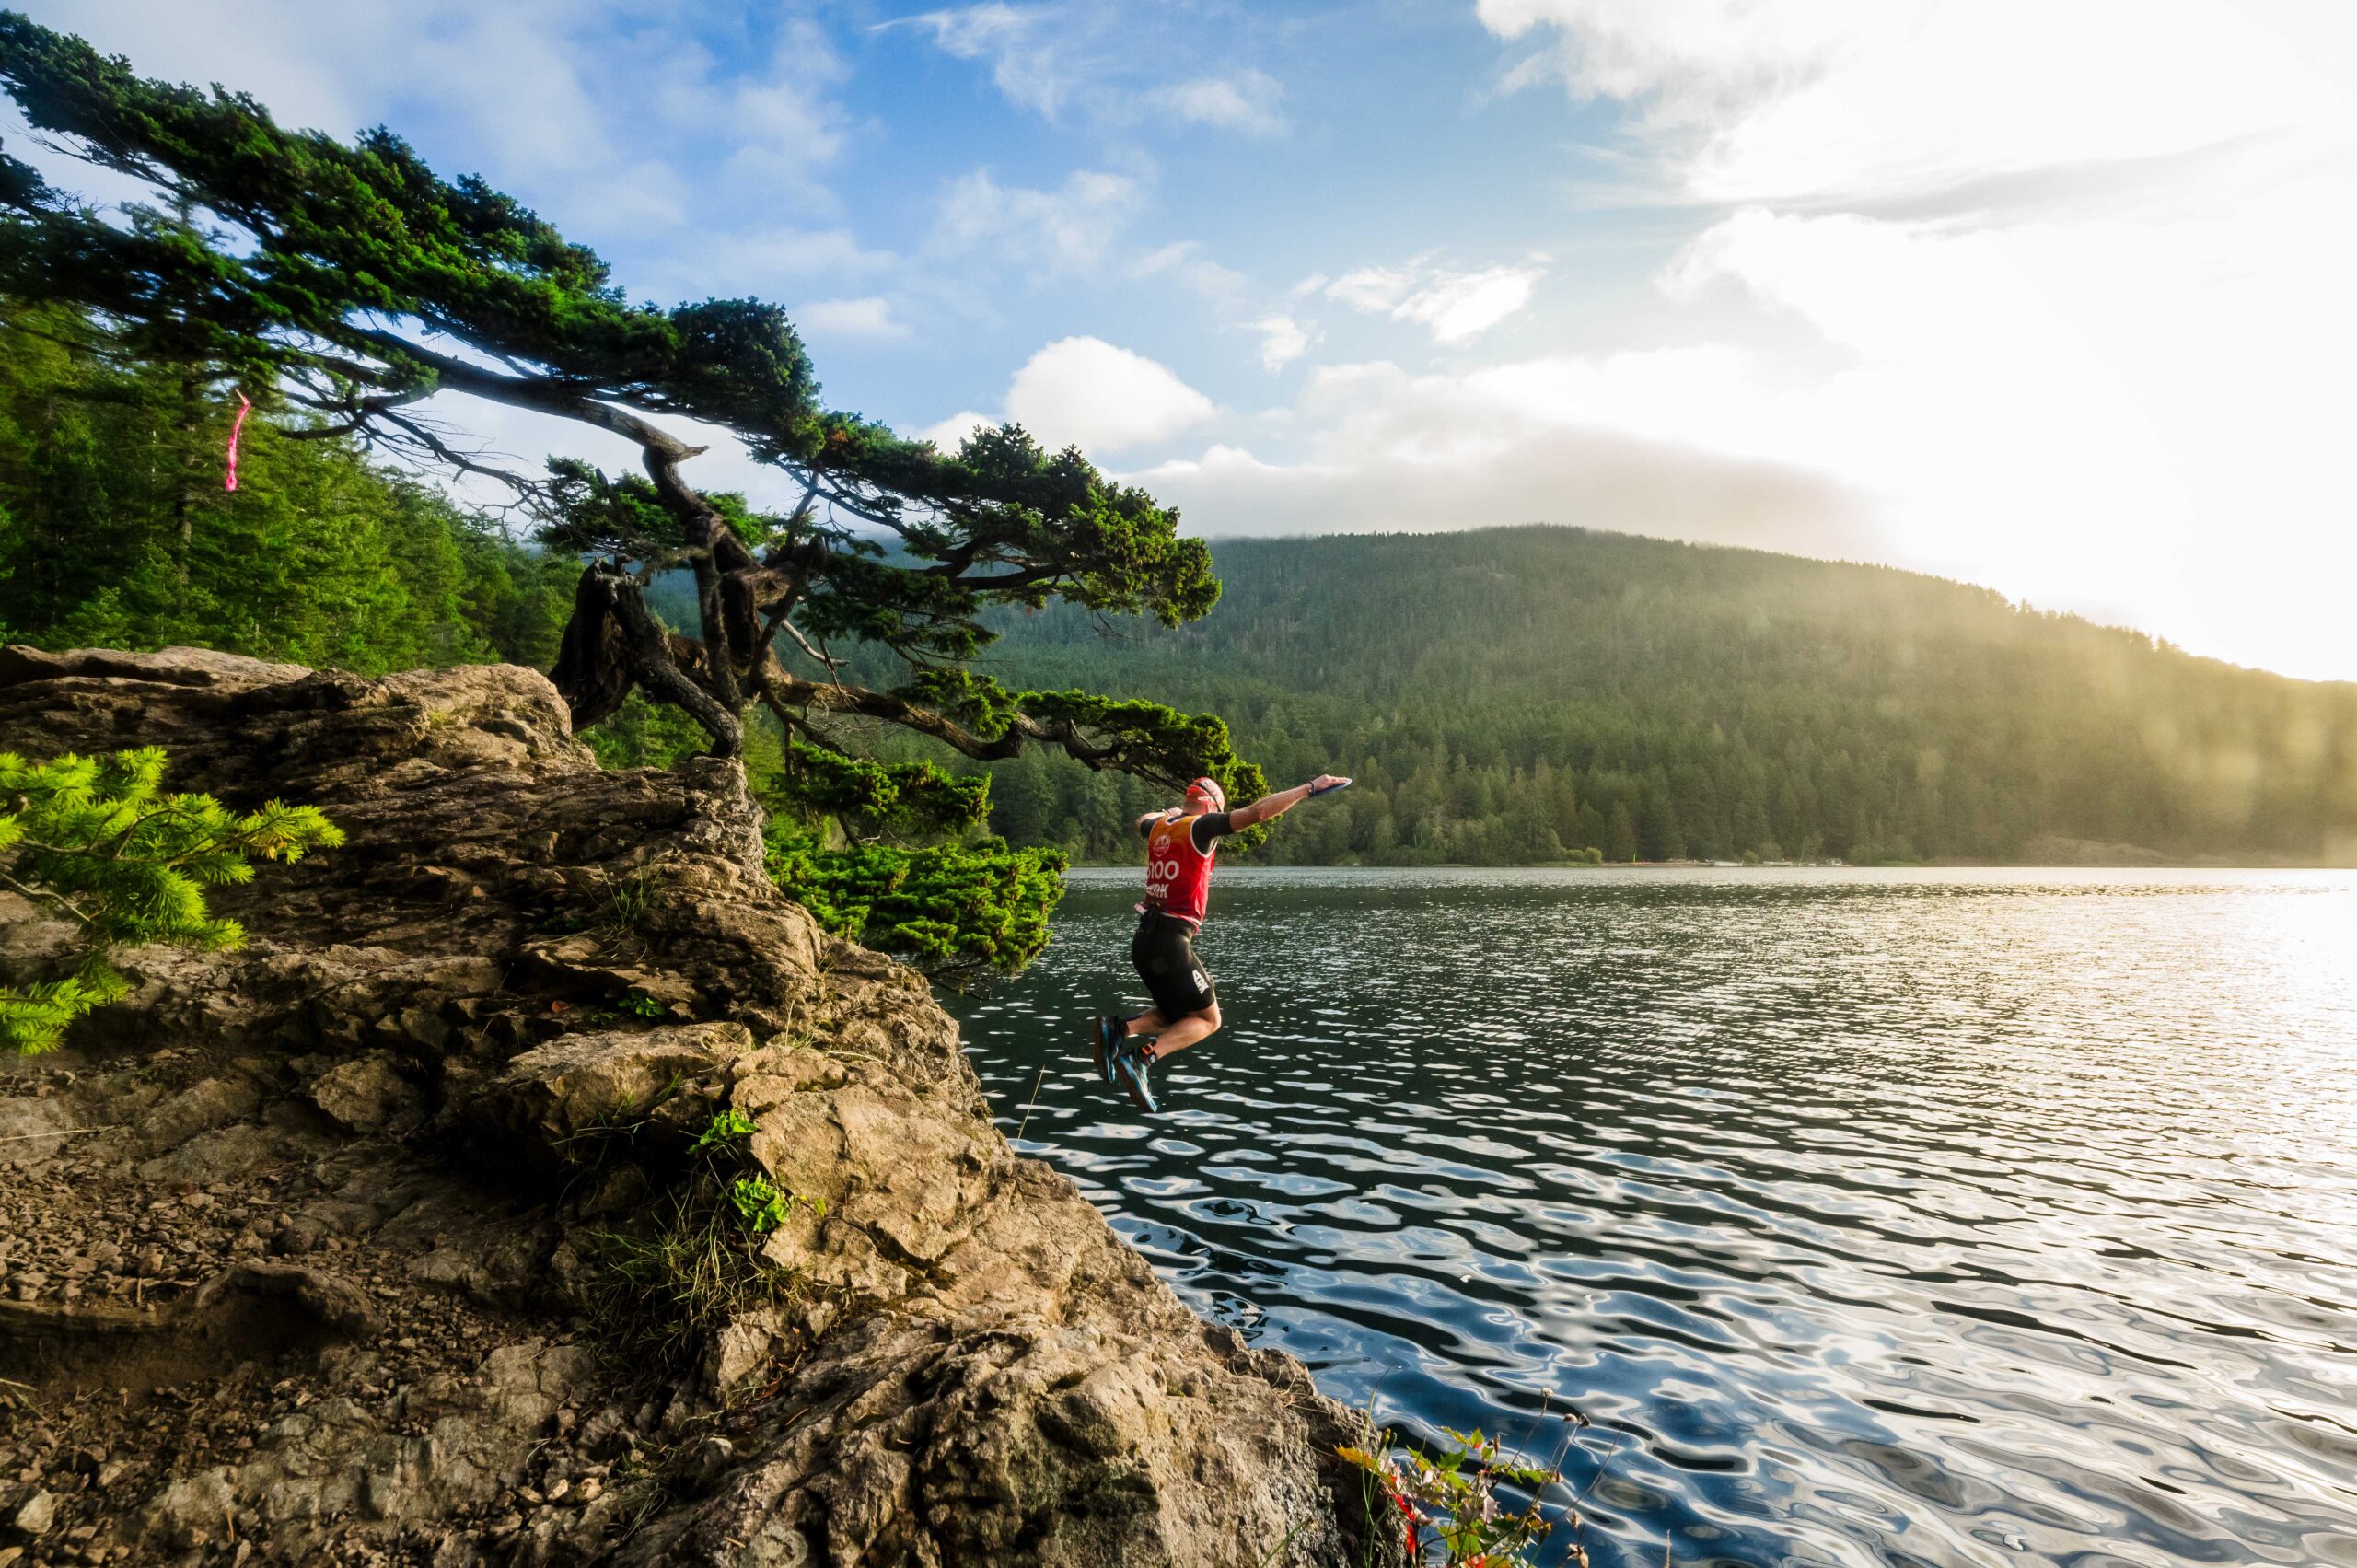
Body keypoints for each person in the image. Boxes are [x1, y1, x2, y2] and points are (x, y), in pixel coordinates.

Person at [1092, 772, 1349, 1111]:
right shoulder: (1201, 827)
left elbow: (1142, 819)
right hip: (1172, 942)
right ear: (1210, 806)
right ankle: (1142, 1059)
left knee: (1178, 1015)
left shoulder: (1160, 826)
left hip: (1143, 941)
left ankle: (1120, 1029)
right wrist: (1309, 788)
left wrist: (1166, 814)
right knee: (1209, 1020)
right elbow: (1256, 814)